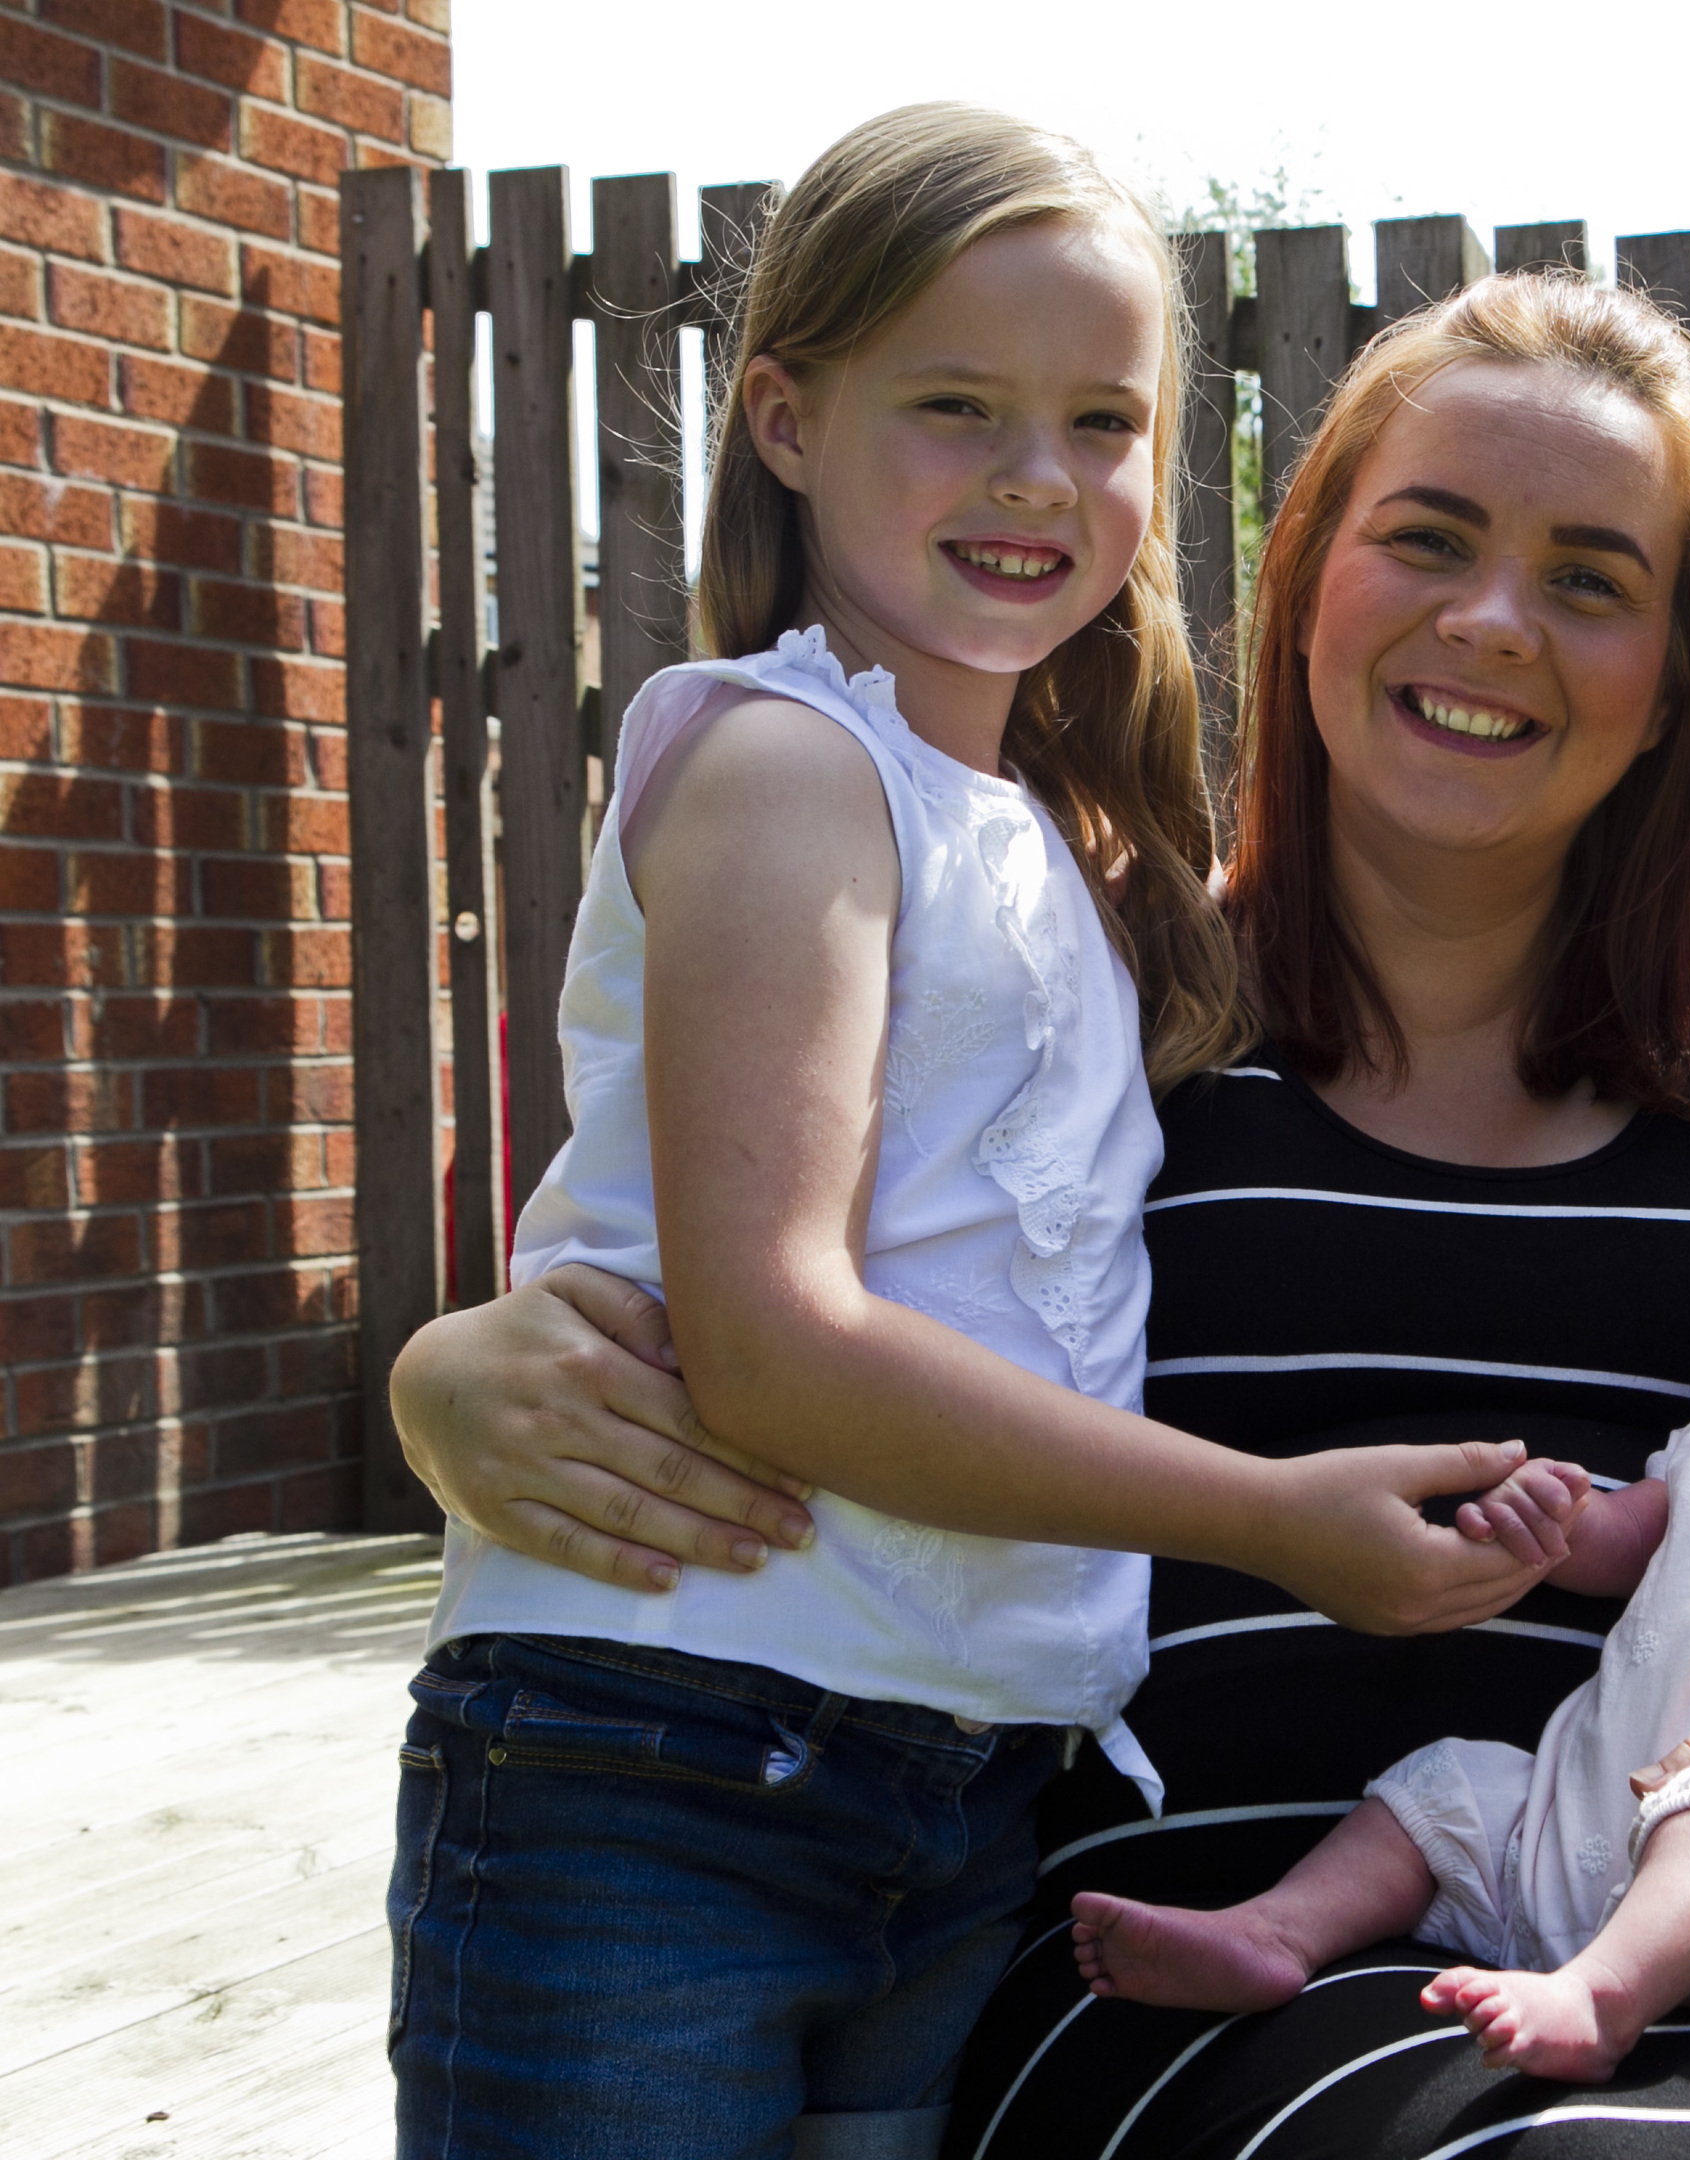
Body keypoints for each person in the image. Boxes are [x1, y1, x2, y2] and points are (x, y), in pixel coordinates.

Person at [391, 272, 1690, 2159]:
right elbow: (755, 1270)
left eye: (1591, 580)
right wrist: (442, 1378)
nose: (1492, 623)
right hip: (1216, 1932)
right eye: (1430, 541)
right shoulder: (1100, 966)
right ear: (1304, 589)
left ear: (1672, 689)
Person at [384, 107, 1560, 2160]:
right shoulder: (784, 768)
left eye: (1102, 422)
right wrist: (1273, 1517)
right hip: (661, 1747)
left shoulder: (1069, 843)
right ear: (782, 417)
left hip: (953, 1781)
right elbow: (771, 1337)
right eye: (953, 406)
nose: (1036, 479)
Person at [1066, 1215, 1690, 2089]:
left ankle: (1602, 2002)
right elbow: (1608, 1547)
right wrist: (1546, 1517)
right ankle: (1276, 1933)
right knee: (1443, 1786)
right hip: (1570, 1829)